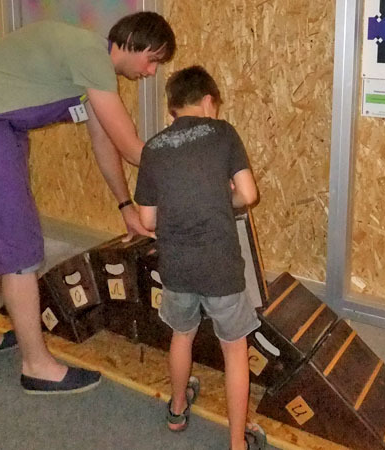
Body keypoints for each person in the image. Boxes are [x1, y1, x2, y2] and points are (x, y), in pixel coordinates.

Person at [0, 12, 175, 394]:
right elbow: (132, 148)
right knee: (19, 244)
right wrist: (187, 164)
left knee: (6, 234)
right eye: (152, 60)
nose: (150, 72)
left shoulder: (91, 68)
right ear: (134, 41)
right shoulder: (91, 55)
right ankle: (36, 366)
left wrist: (126, 207)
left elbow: (106, 144)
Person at [134, 66, 267, 449]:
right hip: (220, 267)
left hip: (176, 267)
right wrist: (223, 198)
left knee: (182, 335)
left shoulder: (153, 147)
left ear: (172, 108)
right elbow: (249, 194)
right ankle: (237, 442)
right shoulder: (223, 133)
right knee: (234, 350)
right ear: (209, 102)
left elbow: (147, 220)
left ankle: (177, 409)